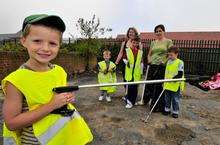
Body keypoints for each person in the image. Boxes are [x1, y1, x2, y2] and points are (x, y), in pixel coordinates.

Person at [1, 14, 93, 145]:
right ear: (23, 41)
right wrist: (51, 105)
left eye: (52, 43)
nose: (45, 48)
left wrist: (66, 98)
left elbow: (59, 100)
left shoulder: (60, 71)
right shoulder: (15, 81)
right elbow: (11, 123)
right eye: (37, 41)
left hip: (63, 139)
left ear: (59, 45)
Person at [142, 24, 173, 112]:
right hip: (152, 65)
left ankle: (156, 106)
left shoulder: (168, 41)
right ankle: (147, 101)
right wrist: (149, 60)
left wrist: (164, 62)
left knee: (158, 86)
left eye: (160, 31)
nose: (158, 32)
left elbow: (171, 54)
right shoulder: (153, 42)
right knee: (150, 85)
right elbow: (149, 54)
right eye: (156, 31)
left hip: (161, 66)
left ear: (164, 31)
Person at [115, 27, 142, 93]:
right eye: (129, 32)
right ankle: (127, 93)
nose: (131, 33)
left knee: (134, 79)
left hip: (135, 65)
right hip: (125, 64)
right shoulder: (124, 43)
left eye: (132, 32)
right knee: (125, 78)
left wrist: (140, 65)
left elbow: (140, 54)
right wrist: (116, 63)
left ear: (135, 33)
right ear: (128, 33)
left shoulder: (139, 43)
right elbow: (121, 53)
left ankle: (133, 94)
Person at [163, 47, 185, 118]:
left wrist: (173, 79)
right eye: (169, 55)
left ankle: (175, 111)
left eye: (171, 55)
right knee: (167, 98)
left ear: (176, 54)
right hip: (167, 83)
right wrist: (164, 81)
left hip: (175, 84)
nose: (169, 57)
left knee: (175, 99)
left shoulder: (180, 62)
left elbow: (180, 74)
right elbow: (166, 73)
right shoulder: (169, 62)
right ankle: (167, 109)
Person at [124, 37, 143, 109]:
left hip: (136, 74)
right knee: (130, 88)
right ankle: (129, 101)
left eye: (137, 43)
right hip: (129, 73)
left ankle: (133, 101)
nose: (135, 44)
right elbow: (124, 58)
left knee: (135, 88)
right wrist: (126, 62)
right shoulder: (128, 50)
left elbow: (141, 62)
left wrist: (141, 71)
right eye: (134, 43)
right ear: (131, 42)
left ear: (138, 44)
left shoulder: (140, 52)